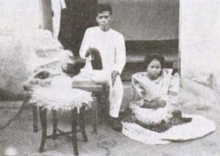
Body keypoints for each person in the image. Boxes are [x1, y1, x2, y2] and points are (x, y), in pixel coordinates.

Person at [78, 3, 126, 131]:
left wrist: (117, 71)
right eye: (100, 17)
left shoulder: (118, 36)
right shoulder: (90, 32)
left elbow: (121, 58)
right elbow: (82, 52)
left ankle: (114, 116)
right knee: (75, 84)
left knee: (118, 85)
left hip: (109, 72)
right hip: (91, 72)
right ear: (96, 19)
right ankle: (82, 113)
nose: (103, 20)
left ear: (111, 18)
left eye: (106, 17)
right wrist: (87, 53)